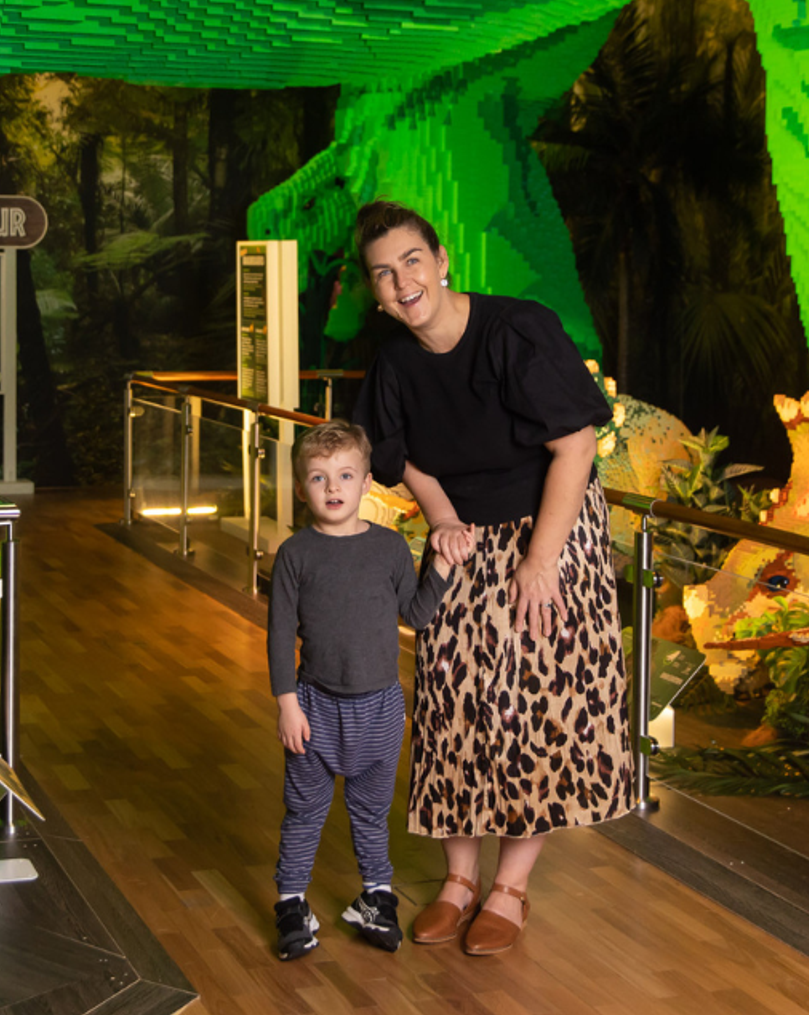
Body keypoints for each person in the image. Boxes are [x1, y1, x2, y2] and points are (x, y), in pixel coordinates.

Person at [350, 199, 627, 956]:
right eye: (384, 273)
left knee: (529, 702)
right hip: (469, 532)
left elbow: (575, 447)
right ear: (376, 292)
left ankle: (512, 887)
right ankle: (458, 880)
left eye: (412, 261)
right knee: (453, 696)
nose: (402, 281)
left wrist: (542, 562)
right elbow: (398, 453)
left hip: (550, 523)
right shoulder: (396, 360)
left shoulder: (515, 330)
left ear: (441, 262)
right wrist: (440, 517)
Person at [267, 419, 451, 962]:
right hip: (314, 707)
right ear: (303, 488)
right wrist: (286, 703)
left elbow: (416, 614)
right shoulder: (295, 555)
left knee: (371, 812)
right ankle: (291, 902)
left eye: (345, 476)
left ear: (366, 483)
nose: (332, 488)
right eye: (320, 478)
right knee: (304, 811)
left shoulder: (390, 548)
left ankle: (375, 896)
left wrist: (441, 565)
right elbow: (280, 635)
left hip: (381, 709)